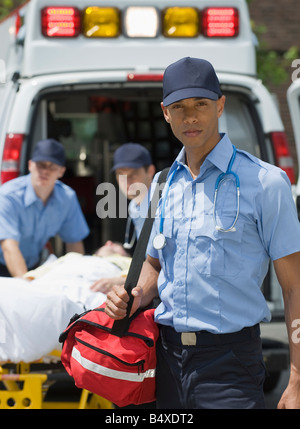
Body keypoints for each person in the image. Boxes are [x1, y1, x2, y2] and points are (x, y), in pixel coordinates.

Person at [104, 57, 300, 409]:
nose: (190, 116)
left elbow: (294, 285)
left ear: (220, 106)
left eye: (201, 105)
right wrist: (132, 295)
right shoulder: (162, 185)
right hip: (164, 361)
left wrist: (298, 377)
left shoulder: (266, 183)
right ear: (165, 113)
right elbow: (154, 264)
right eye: (179, 107)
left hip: (230, 364)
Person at [0, 138, 90, 278]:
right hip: (4, 265)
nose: (45, 171)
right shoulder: (8, 196)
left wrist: (77, 280)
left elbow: (74, 245)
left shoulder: (67, 197)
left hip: (34, 266)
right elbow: (9, 247)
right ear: (30, 165)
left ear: (61, 171)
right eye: (40, 165)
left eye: (52, 167)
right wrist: (27, 285)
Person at [91, 143, 155, 293]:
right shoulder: (134, 206)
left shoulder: (162, 205)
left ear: (150, 171)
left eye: (133, 174)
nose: (127, 181)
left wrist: (123, 281)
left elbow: (165, 266)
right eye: (121, 174)